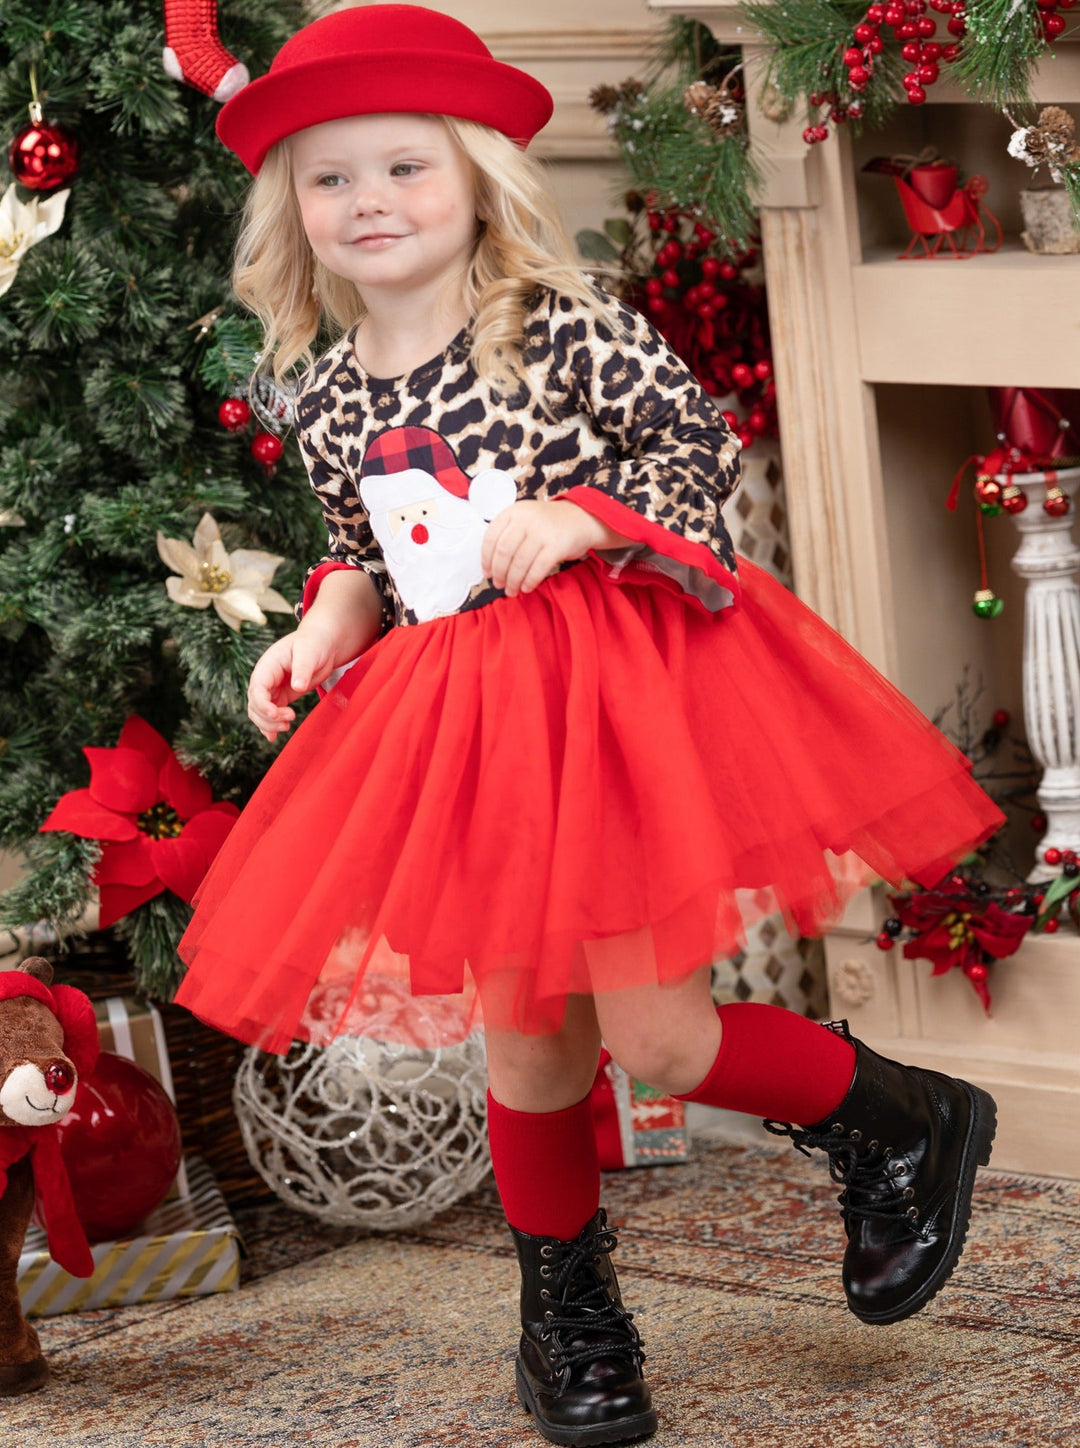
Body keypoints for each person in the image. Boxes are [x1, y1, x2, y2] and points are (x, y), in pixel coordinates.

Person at [174, 7, 1005, 1444]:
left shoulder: (557, 323)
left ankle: (900, 1119)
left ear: (477, 177)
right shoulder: (319, 387)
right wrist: (321, 627)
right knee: (532, 1055)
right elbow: (366, 552)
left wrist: (581, 514)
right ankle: (567, 1313)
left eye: (405, 168)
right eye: (331, 179)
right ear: (290, 210)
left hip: (605, 706)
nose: (369, 201)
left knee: (662, 1039)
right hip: (466, 739)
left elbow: (695, 454)